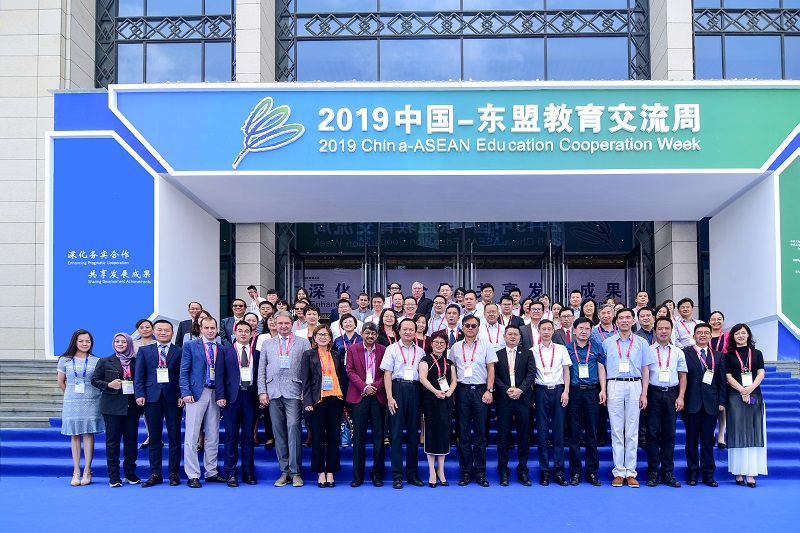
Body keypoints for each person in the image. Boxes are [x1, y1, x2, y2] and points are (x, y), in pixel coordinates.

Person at [258, 310, 312, 487]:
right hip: (273, 392)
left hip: (294, 391)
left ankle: (296, 472)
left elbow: (308, 369)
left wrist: (306, 391)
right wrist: (262, 391)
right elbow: (261, 369)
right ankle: (284, 471)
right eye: (280, 323)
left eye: (286, 323)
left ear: (292, 324)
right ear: (274, 324)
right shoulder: (267, 344)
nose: (283, 326)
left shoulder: (303, 342)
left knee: (294, 428)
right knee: (279, 432)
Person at [602, 308, 653, 488]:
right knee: (616, 430)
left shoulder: (641, 343)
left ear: (633, 321)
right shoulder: (607, 343)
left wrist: (644, 393)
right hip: (614, 384)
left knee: (632, 430)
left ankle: (630, 472)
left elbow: (646, 369)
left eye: (628, 318)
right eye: (621, 318)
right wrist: (604, 390)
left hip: (634, 384)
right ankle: (618, 472)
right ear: (616, 321)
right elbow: (602, 368)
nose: (624, 321)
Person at [134, 319, 184, 487]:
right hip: (151, 397)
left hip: (173, 397)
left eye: (167, 330)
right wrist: (139, 394)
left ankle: (173, 473)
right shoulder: (144, 350)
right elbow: (139, 374)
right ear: (154, 332)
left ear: (172, 333)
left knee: (174, 436)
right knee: (154, 437)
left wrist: (182, 394)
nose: (163, 333)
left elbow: (182, 375)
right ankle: (155, 473)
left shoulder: (179, 351)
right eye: (160, 330)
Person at [449, 314, 496, 487]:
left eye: (473, 326)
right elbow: (452, 370)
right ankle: (466, 472)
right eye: (467, 325)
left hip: (481, 391)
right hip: (462, 391)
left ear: (478, 328)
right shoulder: (455, 347)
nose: (470, 328)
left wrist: (490, 390)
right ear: (462, 328)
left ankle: (480, 472)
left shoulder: (486, 345)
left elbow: (491, 369)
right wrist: (453, 393)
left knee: (480, 434)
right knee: (463, 433)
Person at [179, 316, 225, 488]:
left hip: (216, 393)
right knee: (192, 434)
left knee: (213, 434)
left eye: (213, 328)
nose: (210, 331)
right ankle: (192, 474)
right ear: (201, 329)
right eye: (207, 328)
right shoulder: (190, 346)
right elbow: (184, 370)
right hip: (196, 393)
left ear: (217, 329)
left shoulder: (222, 348)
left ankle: (211, 471)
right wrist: (185, 392)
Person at [92, 332, 142, 487]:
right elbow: (94, 380)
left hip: (132, 406)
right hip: (112, 407)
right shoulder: (105, 361)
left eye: (123, 342)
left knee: (131, 440)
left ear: (129, 344)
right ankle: (113, 475)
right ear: (113, 344)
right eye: (117, 342)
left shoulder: (137, 361)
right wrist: (108, 385)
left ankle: (130, 473)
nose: (120, 344)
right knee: (112, 442)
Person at [380, 318, 426, 489]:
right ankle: (397, 475)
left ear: (415, 331)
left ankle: (412, 474)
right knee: (397, 434)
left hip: (415, 390)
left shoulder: (420, 351)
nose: (408, 332)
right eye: (404, 329)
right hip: (397, 389)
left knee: (413, 433)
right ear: (399, 331)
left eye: (411, 329)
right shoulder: (391, 349)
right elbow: (387, 374)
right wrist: (390, 397)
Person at [644, 317, 687, 488]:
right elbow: (644, 373)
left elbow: (683, 376)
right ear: (655, 331)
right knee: (652, 433)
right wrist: (644, 394)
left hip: (671, 393)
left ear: (671, 331)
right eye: (660, 328)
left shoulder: (678, 352)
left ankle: (668, 472)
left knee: (670, 433)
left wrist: (681, 396)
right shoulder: (647, 350)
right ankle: (653, 472)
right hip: (653, 393)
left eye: (666, 328)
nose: (663, 331)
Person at [58, 329, 104, 486]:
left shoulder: (96, 361)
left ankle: (87, 471)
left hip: (91, 401)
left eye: (88, 341)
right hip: (72, 401)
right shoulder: (65, 360)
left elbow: (98, 380)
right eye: (81, 341)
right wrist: (71, 395)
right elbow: (61, 382)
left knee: (88, 433)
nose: (85, 344)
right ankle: (76, 471)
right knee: (75, 435)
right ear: (75, 342)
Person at [682, 323, 726, 487]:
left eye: (706, 333)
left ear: (710, 336)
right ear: (694, 336)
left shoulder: (718, 356)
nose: (702, 335)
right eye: (699, 333)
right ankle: (692, 473)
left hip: (711, 404)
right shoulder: (684, 353)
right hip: (691, 403)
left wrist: (721, 402)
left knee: (708, 440)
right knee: (691, 440)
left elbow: (721, 381)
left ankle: (708, 474)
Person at [302, 324, 345, 488]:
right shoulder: (308, 355)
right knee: (318, 437)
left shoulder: (335, 354)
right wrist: (307, 401)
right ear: (314, 337)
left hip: (335, 398)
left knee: (334, 437)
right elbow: (305, 380)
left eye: (326, 335)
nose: (323, 337)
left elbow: (340, 376)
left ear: (330, 338)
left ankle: (331, 471)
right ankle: (320, 472)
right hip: (317, 400)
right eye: (319, 334)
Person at [725, 323, 767, 487]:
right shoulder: (728, 355)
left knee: (753, 430)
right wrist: (742, 390)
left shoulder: (757, 353)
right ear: (733, 337)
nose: (740, 336)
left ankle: (751, 473)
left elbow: (761, 373)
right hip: (735, 395)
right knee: (737, 432)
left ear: (748, 335)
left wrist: (750, 389)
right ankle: (739, 471)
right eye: (737, 334)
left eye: (743, 333)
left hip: (754, 394)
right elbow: (728, 376)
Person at [565, 318, 606, 486]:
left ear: (591, 331)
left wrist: (603, 389)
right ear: (574, 330)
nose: (583, 331)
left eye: (587, 329)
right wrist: (566, 391)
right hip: (574, 392)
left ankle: (592, 472)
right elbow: (565, 371)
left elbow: (601, 368)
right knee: (574, 434)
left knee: (591, 433)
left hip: (592, 392)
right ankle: (575, 472)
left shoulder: (597, 347)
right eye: (580, 328)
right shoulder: (567, 348)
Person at [345, 323, 387, 487]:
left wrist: (374, 387)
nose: (370, 336)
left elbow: (386, 372)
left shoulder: (383, 350)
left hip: (378, 396)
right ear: (361, 334)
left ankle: (377, 473)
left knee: (378, 437)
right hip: (359, 396)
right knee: (358, 437)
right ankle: (358, 475)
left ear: (377, 335)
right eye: (367, 333)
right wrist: (364, 387)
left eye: (373, 333)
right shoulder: (352, 349)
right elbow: (350, 371)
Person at [494, 324, 535, 486]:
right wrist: (505, 389)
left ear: (520, 337)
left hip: (522, 399)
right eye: (509, 334)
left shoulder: (527, 353)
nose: (512, 337)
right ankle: (503, 471)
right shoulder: (497, 354)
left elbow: (531, 374)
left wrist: (520, 390)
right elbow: (494, 375)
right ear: (504, 336)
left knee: (523, 436)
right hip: (504, 400)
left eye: (515, 334)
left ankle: (523, 471)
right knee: (503, 436)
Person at [533, 319, 571, 486]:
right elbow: (531, 375)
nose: (547, 332)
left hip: (558, 391)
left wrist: (566, 391)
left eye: (549, 329)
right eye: (544, 329)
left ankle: (559, 472)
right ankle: (544, 471)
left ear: (553, 331)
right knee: (542, 434)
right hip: (541, 391)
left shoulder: (561, 349)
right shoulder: (533, 351)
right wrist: (533, 397)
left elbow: (566, 371)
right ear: (539, 331)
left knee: (558, 433)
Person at [418, 330, 458, 487]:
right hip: (430, 400)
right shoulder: (425, 360)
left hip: (445, 401)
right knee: (431, 434)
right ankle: (431, 471)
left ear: (446, 345)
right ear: (431, 344)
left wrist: (450, 392)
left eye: (442, 343)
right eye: (436, 342)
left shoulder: (449, 362)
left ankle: (441, 470)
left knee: (443, 434)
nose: (439, 345)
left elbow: (454, 380)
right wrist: (435, 391)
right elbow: (422, 378)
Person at [708, 310, 728, 448]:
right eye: (713, 319)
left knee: (722, 406)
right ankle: (710, 433)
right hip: (707, 372)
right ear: (709, 322)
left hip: (723, 371)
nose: (716, 321)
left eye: (719, 319)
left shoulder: (729, 336)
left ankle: (721, 434)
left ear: (723, 321)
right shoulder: (704, 334)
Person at [333, 313, 362, 394]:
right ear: (342, 325)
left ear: (355, 324)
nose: (348, 324)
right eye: (345, 322)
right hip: (342, 368)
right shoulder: (338, 340)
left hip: (358, 368)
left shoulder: (361, 339)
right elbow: (334, 354)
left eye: (350, 321)